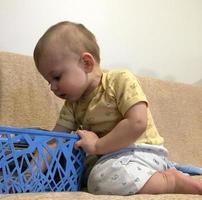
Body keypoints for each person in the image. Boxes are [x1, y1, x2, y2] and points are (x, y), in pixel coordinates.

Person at [33, 21, 202, 195]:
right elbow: (53, 141)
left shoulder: (119, 80)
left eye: (57, 77)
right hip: (109, 159)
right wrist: (28, 175)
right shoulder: (72, 105)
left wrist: (97, 145)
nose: (52, 87)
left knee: (99, 180)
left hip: (140, 150)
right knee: (77, 171)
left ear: (86, 63)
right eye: (49, 82)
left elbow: (137, 122)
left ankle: (170, 181)